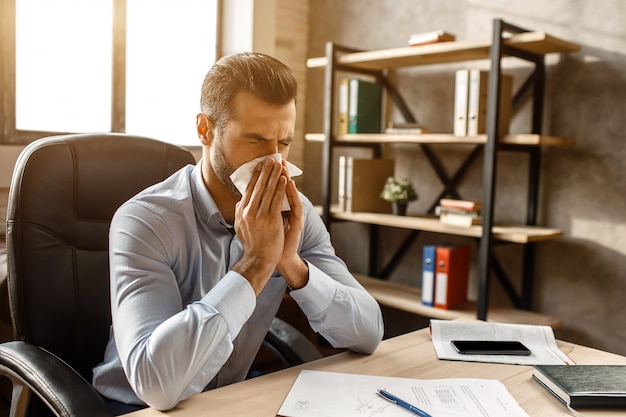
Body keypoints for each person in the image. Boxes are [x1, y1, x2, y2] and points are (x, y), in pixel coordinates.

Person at [92, 52, 384, 413]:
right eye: (256, 141)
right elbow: (157, 387)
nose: (275, 161)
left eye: (284, 143)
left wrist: (292, 264)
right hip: (133, 407)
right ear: (205, 130)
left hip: (228, 401)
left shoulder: (297, 213)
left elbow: (369, 332)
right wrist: (257, 264)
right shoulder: (145, 221)